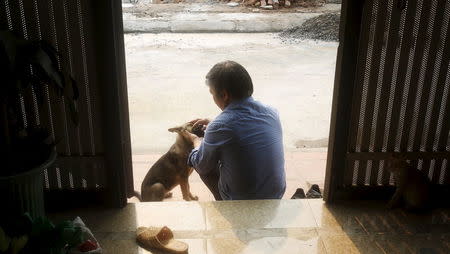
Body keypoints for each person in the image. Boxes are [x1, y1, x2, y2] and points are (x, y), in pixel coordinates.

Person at [187, 61, 286, 200]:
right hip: (275, 195)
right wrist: (213, 125)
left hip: (243, 203)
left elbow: (201, 165)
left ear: (224, 95)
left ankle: (225, 205)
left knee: (199, 159)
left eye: (212, 94)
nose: (213, 99)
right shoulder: (272, 113)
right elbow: (239, 126)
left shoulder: (219, 126)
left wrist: (196, 141)